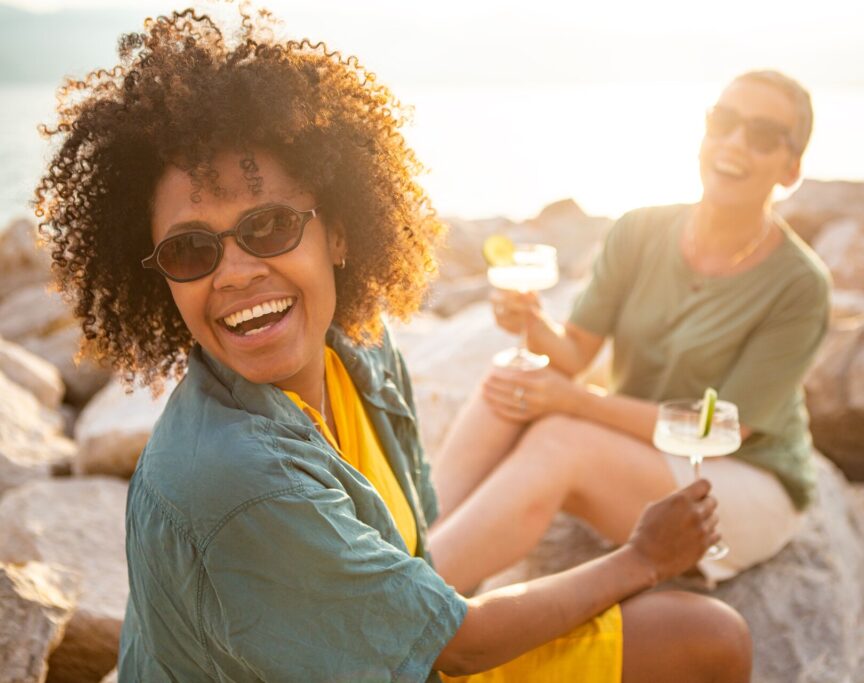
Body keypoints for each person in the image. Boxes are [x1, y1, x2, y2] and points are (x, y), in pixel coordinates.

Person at [34, 6, 752, 682]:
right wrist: (641, 557)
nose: (237, 272)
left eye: (270, 226)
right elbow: (457, 641)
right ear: (161, 279)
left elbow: (417, 564)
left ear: (338, 231)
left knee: (703, 634)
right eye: (191, 251)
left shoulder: (362, 356)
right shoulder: (234, 477)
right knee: (702, 638)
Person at [429, 70, 831, 593]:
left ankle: (403, 610)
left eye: (761, 135)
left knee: (560, 439)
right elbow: (573, 352)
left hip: (739, 474)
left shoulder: (800, 285)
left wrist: (573, 402)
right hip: (640, 442)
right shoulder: (639, 230)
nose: (734, 142)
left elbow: (719, 432)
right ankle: (412, 554)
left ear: (791, 168)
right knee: (510, 379)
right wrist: (531, 320)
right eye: (724, 122)